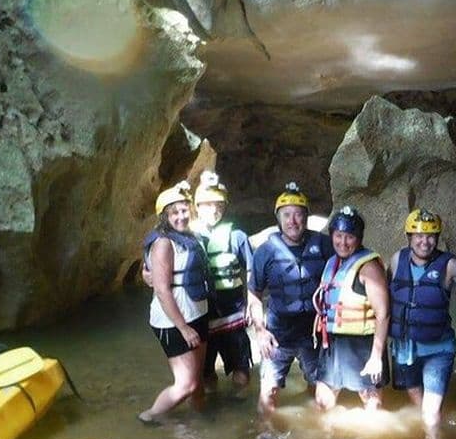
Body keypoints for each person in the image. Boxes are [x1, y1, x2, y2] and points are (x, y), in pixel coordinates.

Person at [247, 182, 334, 413]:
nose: (292, 221)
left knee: (321, 392)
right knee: (268, 393)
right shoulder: (265, 252)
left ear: (306, 217)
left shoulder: (324, 245)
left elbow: (348, 267)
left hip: (313, 334)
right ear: (278, 218)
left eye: (298, 214)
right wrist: (260, 331)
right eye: (287, 215)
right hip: (279, 335)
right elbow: (254, 293)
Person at [388, 208, 456, 439]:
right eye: (419, 235)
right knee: (415, 395)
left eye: (431, 235)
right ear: (409, 237)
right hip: (405, 347)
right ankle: (428, 435)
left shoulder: (450, 265)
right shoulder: (396, 259)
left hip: (438, 350)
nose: (425, 241)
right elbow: (383, 297)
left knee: (429, 413)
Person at [139, 181, 209, 425]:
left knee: (197, 380)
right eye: (174, 212)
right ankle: (150, 417)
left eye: (183, 210)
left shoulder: (189, 236)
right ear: (164, 216)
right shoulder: (163, 243)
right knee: (186, 383)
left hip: (197, 312)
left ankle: (199, 423)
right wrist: (183, 327)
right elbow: (161, 289)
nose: (181, 216)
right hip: (173, 321)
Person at [314, 206, 390, 411]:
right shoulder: (332, 262)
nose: (343, 242)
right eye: (338, 236)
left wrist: (376, 357)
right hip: (333, 343)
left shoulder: (369, 267)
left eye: (349, 237)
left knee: (372, 406)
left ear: (359, 238)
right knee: (323, 403)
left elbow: (383, 314)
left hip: (362, 345)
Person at [191, 171, 254, 395]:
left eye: (218, 205)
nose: (214, 210)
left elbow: (250, 272)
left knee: (241, 372)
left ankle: (242, 412)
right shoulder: (188, 239)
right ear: (197, 207)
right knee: (206, 374)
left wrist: (252, 305)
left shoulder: (237, 236)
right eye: (208, 205)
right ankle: (214, 414)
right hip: (201, 316)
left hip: (233, 314)